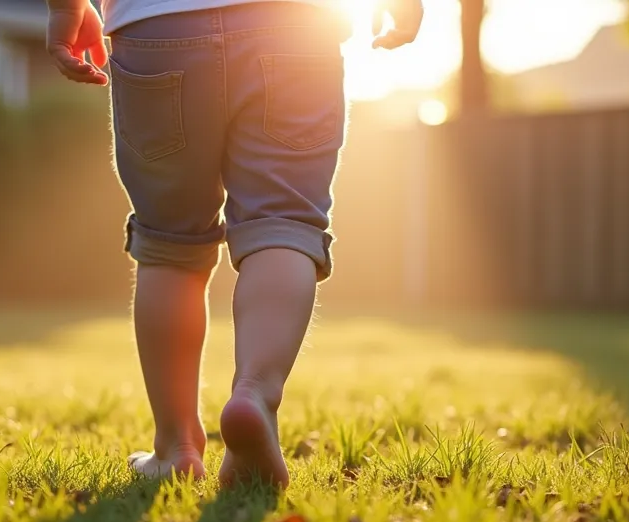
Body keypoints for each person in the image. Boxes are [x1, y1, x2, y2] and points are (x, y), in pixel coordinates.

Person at [45, 0, 423, 488]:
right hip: (295, 26)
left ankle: (176, 445)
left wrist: (65, 9)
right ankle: (254, 395)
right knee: (283, 223)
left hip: (155, 28)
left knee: (169, 244)